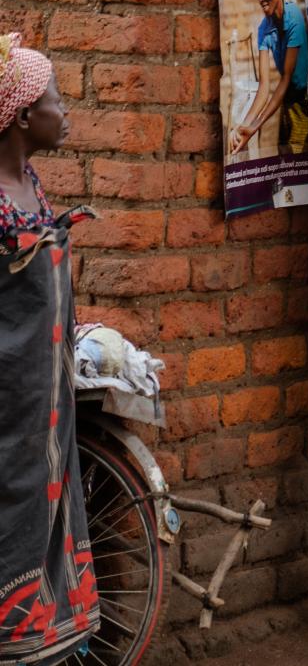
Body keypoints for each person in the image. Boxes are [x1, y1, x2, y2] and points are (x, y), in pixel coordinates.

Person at [0, 36, 100, 660]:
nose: (65, 112)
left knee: (46, 498)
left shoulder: (29, 184)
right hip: (10, 401)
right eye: (54, 99)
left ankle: (43, 636)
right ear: (19, 116)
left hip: (43, 402)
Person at [230, 0, 308, 156]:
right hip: (286, 102)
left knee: (298, 162)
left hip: (306, 103)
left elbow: (285, 78)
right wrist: (244, 126)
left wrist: (255, 125)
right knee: (285, 158)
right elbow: (264, 87)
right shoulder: (264, 29)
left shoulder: (293, 17)